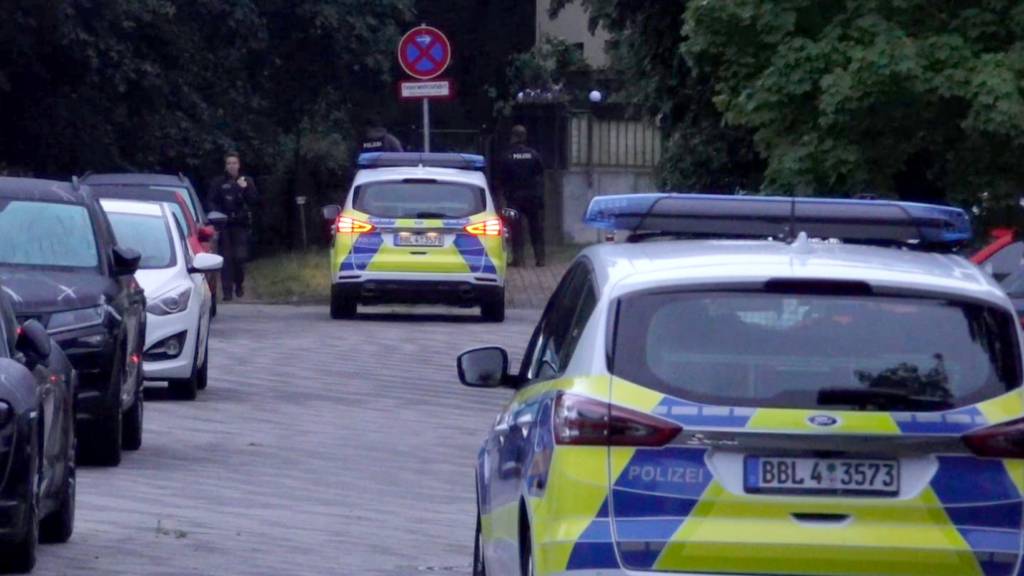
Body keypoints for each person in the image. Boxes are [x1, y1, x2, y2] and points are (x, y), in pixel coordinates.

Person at [207, 151, 258, 301]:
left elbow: (254, 200)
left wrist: (243, 189)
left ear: (239, 165)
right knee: (226, 258)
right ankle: (227, 292)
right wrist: (217, 215)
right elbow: (211, 201)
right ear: (225, 165)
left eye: (234, 163)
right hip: (224, 225)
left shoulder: (246, 181)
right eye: (229, 163)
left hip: (240, 225)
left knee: (240, 258)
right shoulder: (218, 183)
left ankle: (239, 284)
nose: (231, 166)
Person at [497, 125, 546, 267]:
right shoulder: (533, 154)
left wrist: (503, 196)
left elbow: (501, 178)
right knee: (536, 227)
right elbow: (540, 175)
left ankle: (519, 259)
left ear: (513, 137)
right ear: (524, 137)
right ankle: (540, 258)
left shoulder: (507, 156)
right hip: (533, 197)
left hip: (514, 198)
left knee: (516, 228)